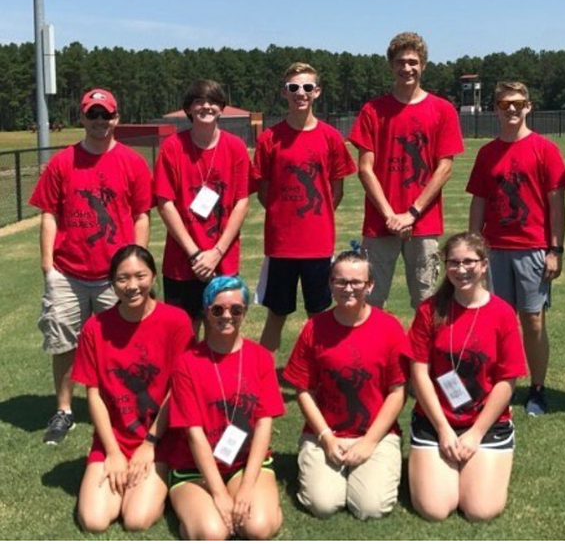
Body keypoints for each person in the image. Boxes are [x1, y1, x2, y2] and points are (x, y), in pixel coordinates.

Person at [29, 88, 153, 445]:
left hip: (116, 276)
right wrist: (48, 266)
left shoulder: (132, 162)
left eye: (106, 114)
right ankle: (64, 410)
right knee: (64, 343)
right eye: (93, 114)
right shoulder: (63, 162)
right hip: (68, 272)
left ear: (117, 118)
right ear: (82, 117)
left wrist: (136, 266)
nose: (100, 121)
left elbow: (141, 215)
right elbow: (49, 214)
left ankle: (120, 408)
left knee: (121, 343)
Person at [71, 245, 195, 533]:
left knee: (135, 520)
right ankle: (130, 477)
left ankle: (161, 483)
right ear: (112, 283)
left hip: (160, 438)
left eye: (140, 276)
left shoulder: (176, 321)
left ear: (153, 276)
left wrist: (150, 444)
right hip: (114, 438)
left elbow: (178, 390)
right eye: (122, 278)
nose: (132, 286)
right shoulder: (95, 328)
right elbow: (94, 394)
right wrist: (112, 452)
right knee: (94, 521)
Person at [405, 232, 527, 522]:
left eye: (469, 262)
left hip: (486, 424)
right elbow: (419, 373)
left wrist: (476, 433)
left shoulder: (503, 313)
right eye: (454, 262)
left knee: (480, 510)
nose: (461, 269)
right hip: (435, 421)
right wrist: (443, 429)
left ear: (484, 265)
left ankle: (477, 463)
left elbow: (507, 380)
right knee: (434, 510)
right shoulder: (429, 310)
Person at [467, 81, 565, 416]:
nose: (511, 109)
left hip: (532, 249)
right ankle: (498, 385)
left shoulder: (545, 149)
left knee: (533, 320)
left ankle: (537, 388)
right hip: (494, 250)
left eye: (517, 103)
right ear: (495, 109)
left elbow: (557, 204)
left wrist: (555, 249)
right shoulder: (487, 153)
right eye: (504, 104)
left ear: (529, 106)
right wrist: (473, 247)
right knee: (495, 321)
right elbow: (478, 202)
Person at [283, 249, 408, 520]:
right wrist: (326, 437)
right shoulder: (314, 328)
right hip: (326, 432)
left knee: (370, 508)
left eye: (356, 282)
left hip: (375, 433)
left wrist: (369, 442)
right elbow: (303, 389)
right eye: (340, 281)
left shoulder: (389, 328)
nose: (348, 288)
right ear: (330, 284)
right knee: (323, 505)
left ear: (369, 285)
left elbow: (398, 392)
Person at [348, 31, 464, 310]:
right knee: (369, 301)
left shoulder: (443, 110)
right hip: (380, 223)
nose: (407, 68)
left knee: (427, 303)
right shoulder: (373, 110)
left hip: (423, 223)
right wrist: (390, 215)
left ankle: (425, 344)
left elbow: (444, 168)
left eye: (413, 62)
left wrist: (412, 213)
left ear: (423, 65)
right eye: (400, 62)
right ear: (391, 66)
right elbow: (365, 169)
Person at [168, 276, 284, 540]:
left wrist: (246, 487)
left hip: (244, 462)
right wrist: (219, 494)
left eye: (236, 309)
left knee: (257, 527)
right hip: (194, 467)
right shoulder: (187, 363)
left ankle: (261, 504)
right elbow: (193, 433)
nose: (227, 316)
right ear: (206, 311)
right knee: (213, 533)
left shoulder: (260, 357)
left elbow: (264, 423)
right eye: (218, 310)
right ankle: (194, 514)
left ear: (245, 311)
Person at [253, 62, 357, 352]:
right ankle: (264, 373)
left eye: (307, 87)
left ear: (317, 92)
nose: (301, 93)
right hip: (281, 245)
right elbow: (264, 191)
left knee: (320, 316)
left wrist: (314, 216)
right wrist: (285, 215)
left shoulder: (331, 137)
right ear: (284, 92)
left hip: (318, 244)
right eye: (294, 87)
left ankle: (322, 371)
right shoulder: (269, 139)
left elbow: (336, 190)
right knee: (276, 314)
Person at [154, 80, 251, 337]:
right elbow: (165, 203)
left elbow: (242, 202)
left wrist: (216, 253)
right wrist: (195, 254)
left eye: (212, 102)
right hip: (182, 262)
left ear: (221, 108)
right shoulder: (172, 147)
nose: (206, 106)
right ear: (188, 108)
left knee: (221, 332)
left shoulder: (235, 147)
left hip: (224, 261)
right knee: (181, 335)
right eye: (198, 101)